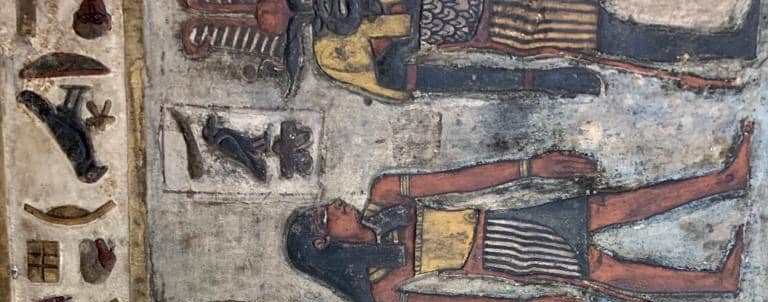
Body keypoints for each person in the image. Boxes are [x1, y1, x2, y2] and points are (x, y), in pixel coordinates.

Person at [284, 123, 751, 302]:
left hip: (504, 218)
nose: (337, 205)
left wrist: (530, 168)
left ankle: (724, 180)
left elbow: (460, 181)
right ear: (326, 243)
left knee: (612, 207)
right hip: (503, 254)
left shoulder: (385, 193)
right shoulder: (380, 288)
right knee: (603, 269)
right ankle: (716, 282)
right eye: (327, 215)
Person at [180, 0, 759, 100]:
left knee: (608, 20)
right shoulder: (332, 52)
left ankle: (718, 37)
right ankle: (720, 46)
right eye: (273, 17)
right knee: (606, 36)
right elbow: (399, 83)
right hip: (494, 26)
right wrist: (393, 36)